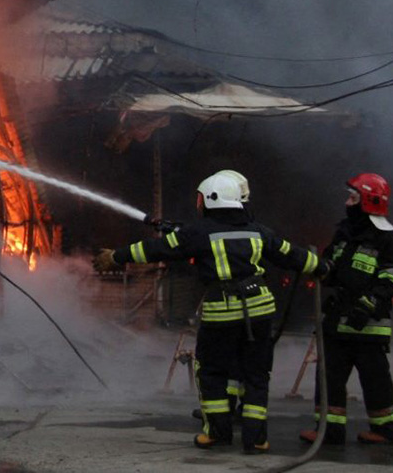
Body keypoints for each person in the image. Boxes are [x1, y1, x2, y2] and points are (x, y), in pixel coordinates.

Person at [94, 171, 325, 454]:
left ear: (212, 199)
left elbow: (156, 249)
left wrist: (116, 256)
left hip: (222, 310)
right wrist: (323, 268)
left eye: (201, 198)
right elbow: (292, 254)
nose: (198, 203)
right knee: (256, 374)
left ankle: (217, 432)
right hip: (261, 309)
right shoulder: (259, 231)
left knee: (212, 371)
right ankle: (256, 439)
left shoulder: (199, 233)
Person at [299, 173, 393, 446]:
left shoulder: (388, 238)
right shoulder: (345, 234)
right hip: (338, 320)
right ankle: (329, 430)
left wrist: (370, 302)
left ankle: (387, 430)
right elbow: (332, 264)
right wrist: (321, 268)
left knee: (375, 379)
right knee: (329, 376)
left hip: (368, 323)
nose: (347, 203)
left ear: (368, 202)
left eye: (353, 198)